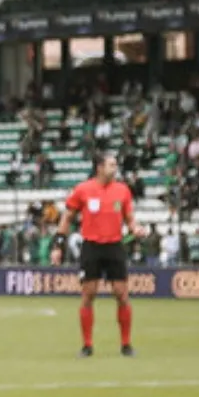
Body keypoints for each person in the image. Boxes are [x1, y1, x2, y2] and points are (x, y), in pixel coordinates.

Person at [59, 151, 137, 358]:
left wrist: (135, 228)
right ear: (100, 168)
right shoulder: (83, 189)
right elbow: (67, 218)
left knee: (121, 294)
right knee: (88, 295)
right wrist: (58, 244)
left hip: (114, 246)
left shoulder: (123, 190)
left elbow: (129, 217)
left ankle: (126, 344)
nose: (115, 168)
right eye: (111, 165)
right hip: (91, 246)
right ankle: (87, 345)